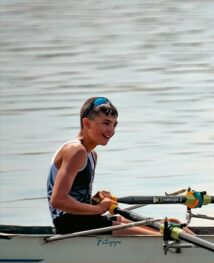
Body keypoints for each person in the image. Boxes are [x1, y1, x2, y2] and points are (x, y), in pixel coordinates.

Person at [47, 97, 162, 236]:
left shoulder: (92, 155)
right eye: (106, 123)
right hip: (70, 225)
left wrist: (96, 201)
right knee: (158, 236)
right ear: (86, 123)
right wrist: (99, 208)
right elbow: (58, 200)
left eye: (114, 125)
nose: (111, 130)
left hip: (86, 221)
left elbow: (76, 199)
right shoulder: (76, 151)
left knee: (166, 224)